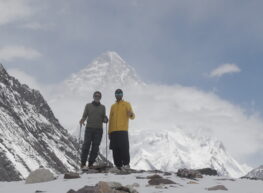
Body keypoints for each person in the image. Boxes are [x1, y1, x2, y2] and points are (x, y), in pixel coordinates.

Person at [79, 91, 108, 169]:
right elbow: (85, 115)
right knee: (86, 145)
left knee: (95, 147)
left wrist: (105, 119)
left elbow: (103, 117)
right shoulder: (88, 106)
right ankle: (83, 163)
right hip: (89, 128)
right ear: (93, 97)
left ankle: (91, 164)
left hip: (99, 129)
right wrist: (82, 120)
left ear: (100, 98)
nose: (97, 97)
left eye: (98, 96)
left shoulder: (103, 107)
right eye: (96, 96)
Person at [109, 89, 135, 170]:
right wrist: (109, 132)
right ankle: (118, 166)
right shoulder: (113, 106)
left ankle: (126, 164)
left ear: (122, 95)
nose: (118, 94)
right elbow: (111, 119)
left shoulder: (127, 104)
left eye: (120, 93)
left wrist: (131, 114)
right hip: (113, 131)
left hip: (123, 130)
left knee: (124, 148)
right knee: (115, 149)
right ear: (115, 95)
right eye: (117, 93)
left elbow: (133, 116)